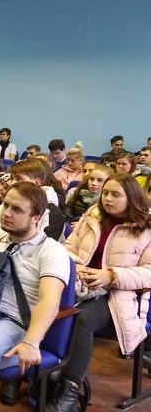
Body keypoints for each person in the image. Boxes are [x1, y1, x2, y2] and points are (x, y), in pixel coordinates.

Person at [0, 182, 71, 412]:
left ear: (36, 217)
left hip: (13, 322)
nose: (6, 213)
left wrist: (31, 341)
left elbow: (49, 300)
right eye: (6, 205)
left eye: (17, 209)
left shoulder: (52, 251)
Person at [48, 174, 151, 411]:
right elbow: (67, 248)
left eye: (115, 194)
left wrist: (111, 276)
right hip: (80, 285)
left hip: (119, 296)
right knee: (42, 302)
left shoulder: (146, 227)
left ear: (132, 197)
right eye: (105, 193)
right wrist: (76, 265)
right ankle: (34, 375)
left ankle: (69, 389)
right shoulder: (93, 216)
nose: (107, 198)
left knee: (81, 319)